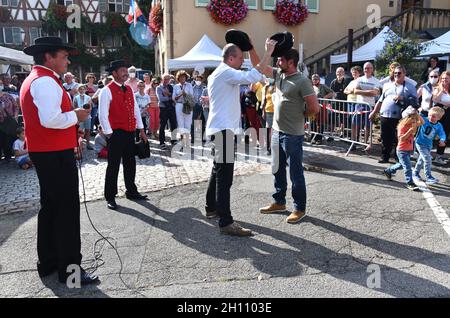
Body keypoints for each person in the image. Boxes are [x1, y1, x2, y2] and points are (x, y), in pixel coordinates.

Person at [20, 36, 97, 285]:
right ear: (48, 57)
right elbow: (51, 120)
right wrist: (76, 116)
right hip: (53, 153)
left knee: (51, 208)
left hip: (47, 152)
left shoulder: (38, 79)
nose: (68, 59)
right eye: (63, 56)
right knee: (66, 212)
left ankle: (49, 263)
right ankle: (70, 271)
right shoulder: (44, 81)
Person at [204, 36, 276, 236]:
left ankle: (211, 208)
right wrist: (268, 53)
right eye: (240, 59)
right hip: (223, 130)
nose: (242, 62)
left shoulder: (220, 73)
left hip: (221, 129)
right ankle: (226, 222)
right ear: (231, 58)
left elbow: (252, 78)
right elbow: (251, 76)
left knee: (217, 171)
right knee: (224, 178)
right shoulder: (226, 72)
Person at [257, 48, 320, 224]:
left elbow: (315, 108)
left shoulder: (302, 81)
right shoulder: (279, 75)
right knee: (277, 168)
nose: (277, 63)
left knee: (295, 172)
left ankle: (299, 208)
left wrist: (300, 115)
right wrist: (260, 49)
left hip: (293, 134)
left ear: (290, 61)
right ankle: (279, 202)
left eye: (280, 60)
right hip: (277, 131)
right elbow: (261, 67)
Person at [98, 60, 149, 211]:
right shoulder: (106, 90)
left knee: (130, 163)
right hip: (115, 133)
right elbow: (102, 114)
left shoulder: (128, 88)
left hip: (129, 132)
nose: (126, 73)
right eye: (122, 70)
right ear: (114, 73)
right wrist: (109, 134)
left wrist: (141, 130)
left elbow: (135, 111)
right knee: (113, 165)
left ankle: (131, 191)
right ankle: (110, 196)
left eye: (126, 70)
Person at [370, 66, 417, 163]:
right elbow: (380, 100)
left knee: (398, 138)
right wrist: (374, 112)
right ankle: (385, 156)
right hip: (385, 116)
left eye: (399, 73)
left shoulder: (410, 87)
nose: (397, 75)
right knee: (385, 137)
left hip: (399, 117)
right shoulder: (387, 85)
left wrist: (402, 98)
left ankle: (398, 158)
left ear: (404, 74)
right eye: (395, 73)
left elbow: (415, 102)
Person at [383, 106, 424, 191]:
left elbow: (422, 122)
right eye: (411, 118)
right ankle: (410, 183)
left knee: (402, 165)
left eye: (414, 118)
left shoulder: (412, 123)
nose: (414, 120)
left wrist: (417, 114)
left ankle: (388, 170)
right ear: (406, 118)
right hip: (402, 150)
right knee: (407, 167)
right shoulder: (402, 126)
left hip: (409, 149)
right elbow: (401, 138)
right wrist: (409, 131)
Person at [413, 107, 446, 185]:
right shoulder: (425, 120)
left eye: (434, 116)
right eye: (430, 115)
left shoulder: (439, 125)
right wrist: (417, 111)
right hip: (420, 143)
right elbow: (417, 116)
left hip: (428, 145)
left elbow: (442, 134)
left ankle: (415, 173)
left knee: (421, 160)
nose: (431, 117)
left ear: (439, 118)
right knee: (427, 159)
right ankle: (429, 177)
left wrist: (442, 140)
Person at [353, 62, 381, 145]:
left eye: (369, 68)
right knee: (355, 124)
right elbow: (355, 91)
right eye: (365, 68)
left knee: (368, 126)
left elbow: (375, 93)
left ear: (372, 69)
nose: (367, 70)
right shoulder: (359, 79)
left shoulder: (376, 81)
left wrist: (361, 91)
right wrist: (369, 91)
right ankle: (354, 142)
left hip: (370, 106)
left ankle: (365, 143)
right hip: (359, 105)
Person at [431, 71, 450, 165]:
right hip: (438, 112)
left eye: (446, 78)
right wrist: (441, 91)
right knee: (432, 132)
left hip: (448, 114)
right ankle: (426, 153)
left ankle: (439, 156)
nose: (444, 80)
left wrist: (443, 103)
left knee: (444, 134)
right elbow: (434, 99)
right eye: (442, 78)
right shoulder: (437, 89)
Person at [173, 70, 194, 148]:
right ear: (178, 78)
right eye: (181, 77)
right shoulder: (176, 86)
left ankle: (187, 141)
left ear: (186, 77)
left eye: (184, 77)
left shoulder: (189, 85)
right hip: (179, 105)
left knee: (188, 124)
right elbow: (173, 98)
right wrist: (180, 95)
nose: (182, 78)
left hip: (187, 105)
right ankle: (182, 142)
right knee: (181, 124)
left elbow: (192, 97)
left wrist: (185, 94)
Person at [156, 73, 178, 149]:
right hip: (163, 108)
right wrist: (170, 96)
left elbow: (174, 97)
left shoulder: (171, 87)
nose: (166, 80)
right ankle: (162, 142)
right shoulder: (159, 88)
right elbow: (161, 99)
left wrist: (168, 94)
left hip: (171, 108)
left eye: (168, 79)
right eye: (165, 79)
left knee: (173, 124)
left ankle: (174, 139)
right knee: (162, 126)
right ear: (162, 79)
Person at [0, 89, 20, 161]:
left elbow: (16, 107)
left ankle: (8, 156)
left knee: (8, 139)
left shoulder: (8, 96)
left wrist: (15, 116)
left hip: (9, 121)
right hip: (1, 122)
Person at [73, 85, 93, 149]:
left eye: (83, 89)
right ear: (78, 90)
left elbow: (90, 107)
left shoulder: (88, 97)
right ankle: (80, 145)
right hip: (79, 117)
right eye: (80, 89)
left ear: (85, 90)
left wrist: (87, 113)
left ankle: (88, 144)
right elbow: (74, 107)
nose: (81, 90)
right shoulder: (76, 97)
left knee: (88, 130)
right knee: (80, 131)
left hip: (87, 116)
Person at [261, 78, 276, 156]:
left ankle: (275, 148)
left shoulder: (278, 87)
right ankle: (268, 148)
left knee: (276, 131)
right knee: (268, 130)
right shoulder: (265, 88)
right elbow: (264, 101)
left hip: (277, 112)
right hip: (268, 111)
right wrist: (263, 111)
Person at [191, 74, 207, 144]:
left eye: (199, 80)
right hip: (194, 106)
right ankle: (193, 138)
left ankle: (202, 137)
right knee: (193, 123)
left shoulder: (204, 88)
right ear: (195, 80)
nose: (198, 81)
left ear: (202, 80)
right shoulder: (192, 88)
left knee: (202, 123)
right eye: (197, 80)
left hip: (202, 106)